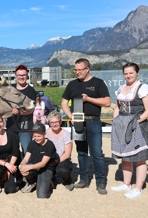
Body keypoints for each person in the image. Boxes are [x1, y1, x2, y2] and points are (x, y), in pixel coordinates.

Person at [61, 58, 110, 195]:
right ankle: (83, 179)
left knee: (97, 154)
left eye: (80, 70)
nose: (77, 72)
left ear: (87, 69)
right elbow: (64, 103)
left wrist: (88, 99)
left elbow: (107, 102)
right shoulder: (72, 84)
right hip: (78, 122)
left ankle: (100, 182)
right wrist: (70, 116)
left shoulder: (98, 83)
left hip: (94, 122)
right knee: (81, 153)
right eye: (75, 70)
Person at [110, 62, 148, 199]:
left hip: (136, 125)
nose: (128, 75)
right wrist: (116, 121)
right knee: (125, 155)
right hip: (121, 125)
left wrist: (137, 122)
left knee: (139, 158)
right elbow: (117, 108)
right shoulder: (121, 88)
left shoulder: (142, 88)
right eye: (126, 73)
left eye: (131, 73)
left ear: (137, 72)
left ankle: (138, 188)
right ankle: (126, 184)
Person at [18, 122, 56, 198]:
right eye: (34, 136)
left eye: (39, 136)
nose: (36, 138)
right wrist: (21, 166)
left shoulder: (50, 145)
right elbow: (26, 158)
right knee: (24, 169)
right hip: (35, 167)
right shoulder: (32, 143)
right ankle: (32, 182)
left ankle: (50, 183)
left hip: (46, 169)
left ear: (44, 134)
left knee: (42, 195)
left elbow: (43, 163)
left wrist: (28, 167)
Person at [0, 113, 21, 194]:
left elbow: (16, 152)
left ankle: (8, 179)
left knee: (10, 190)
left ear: (4, 122)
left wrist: (9, 169)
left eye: (0, 122)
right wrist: (6, 164)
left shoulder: (11, 134)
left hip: (11, 161)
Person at [7, 64, 36, 155]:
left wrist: (20, 112)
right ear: (16, 76)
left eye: (23, 75)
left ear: (27, 75)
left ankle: (25, 169)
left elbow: (31, 109)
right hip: (11, 126)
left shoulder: (31, 90)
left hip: (25, 128)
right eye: (19, 75)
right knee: (12, 152)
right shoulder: (10, 89)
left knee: (26, 151)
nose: (21, 77)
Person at [45, 111, 74, 191]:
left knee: (62, 170)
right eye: (52, 122)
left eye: (56, 122)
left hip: (62, 159)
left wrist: (55, 162)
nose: (54, 124)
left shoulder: (66, 134)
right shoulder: (46, 134)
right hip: (48, 159)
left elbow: (67, 154)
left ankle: (67, 181)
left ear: (60, 121)